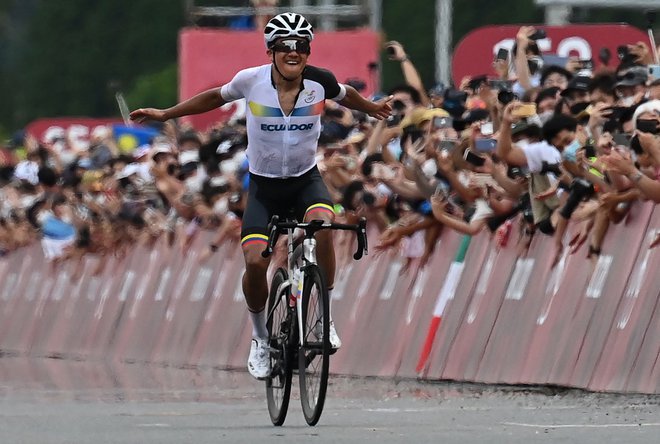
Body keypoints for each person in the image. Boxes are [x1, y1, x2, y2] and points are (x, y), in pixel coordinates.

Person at [129, 12, 392, 380]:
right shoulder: (250, 81)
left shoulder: (320, 82)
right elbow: (211, 98)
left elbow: (347, 96)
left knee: (325, 226)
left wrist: (373, 108)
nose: (293, 52)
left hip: (305, 181)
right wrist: (167, 113)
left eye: (301, 46)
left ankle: (325, 315)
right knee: (255, 262)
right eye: (285, 46)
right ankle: (260, 339)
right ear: (271, 50)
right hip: (265, 188)